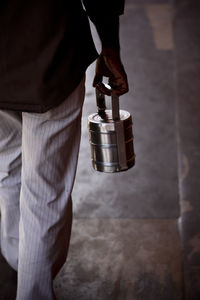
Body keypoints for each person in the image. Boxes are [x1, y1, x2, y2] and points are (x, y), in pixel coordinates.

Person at [0, 0, 128, 299]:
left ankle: (18, 258)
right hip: (49, 57)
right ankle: (32, 286)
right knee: (45, 192)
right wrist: (110, 43)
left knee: (7, 164)